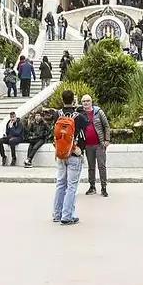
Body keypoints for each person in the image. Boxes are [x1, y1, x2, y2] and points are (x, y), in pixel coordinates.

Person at [52, 90, 87, 225]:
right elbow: (86, 123)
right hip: (74, 153)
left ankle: (57, 213)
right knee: (71, 186)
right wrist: (77, 106)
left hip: (61, 154)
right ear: (73, 100)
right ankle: (67, 215)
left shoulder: (57, 114)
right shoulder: (78, 116)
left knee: (60, 183)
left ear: (62, 99)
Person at [81, 95, 110, 197]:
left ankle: (104, 187)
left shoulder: (98, 112)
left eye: (88, 101)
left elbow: (106, 126)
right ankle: (92, 186)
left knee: (101, 166)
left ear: (91, 101)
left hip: (99, 144)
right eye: (84, 101)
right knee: (91, 167)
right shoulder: (81, 114)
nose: (86, 103)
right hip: (88, 145)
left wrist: (107, 140)